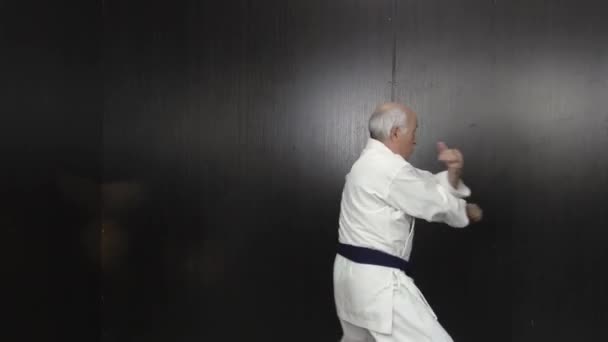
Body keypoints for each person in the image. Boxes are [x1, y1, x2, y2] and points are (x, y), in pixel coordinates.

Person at [333, 102, 483, 342]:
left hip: (349, 277)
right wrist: (466, 211)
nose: (415, 140)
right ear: (395, 133)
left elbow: (419, 185)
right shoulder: (389, 169)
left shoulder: (368, 163)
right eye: (414, 131)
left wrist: (453, 174)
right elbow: (433, 203)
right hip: (378, 285)